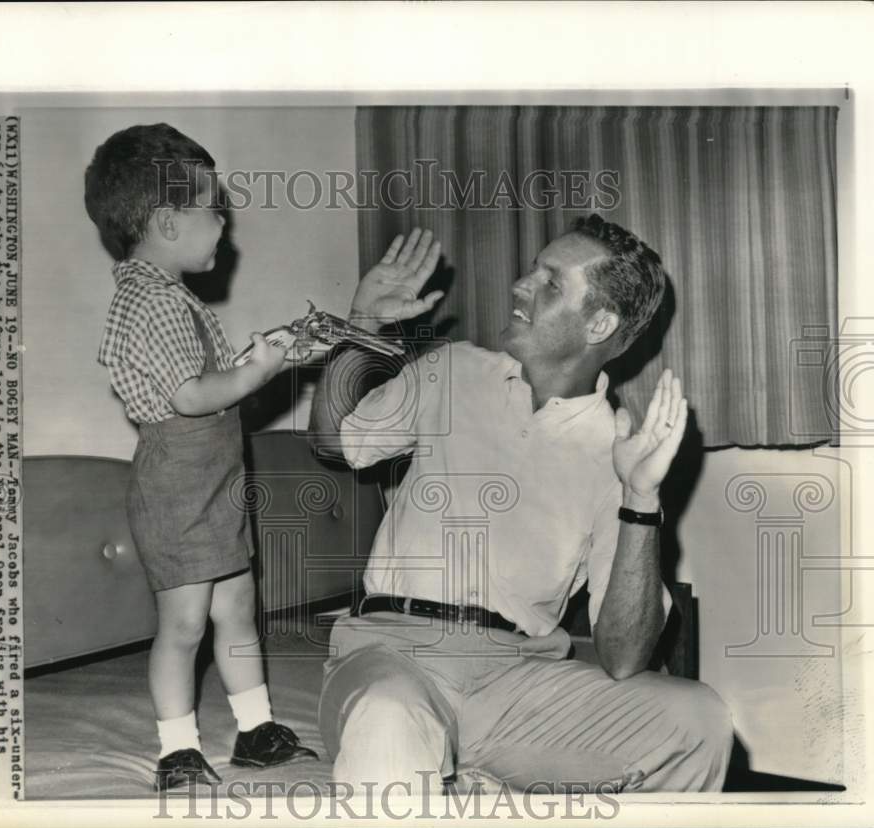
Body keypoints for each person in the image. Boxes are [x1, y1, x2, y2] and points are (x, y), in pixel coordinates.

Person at [309, 218, 734, 794]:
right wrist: (361, 324)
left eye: (550, 282)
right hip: (391, 653)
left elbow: (626, 656)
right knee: (389, 717)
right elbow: (336, 442)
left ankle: (475, 774)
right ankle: (460, 774)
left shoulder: (619, 451)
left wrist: (640, 496)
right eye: (533, 269)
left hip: (515, 681)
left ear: (599, 323)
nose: (518, 285)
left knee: (697, 719)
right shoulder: (451, 370)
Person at [85, 123, 317, 791]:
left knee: (237, 606)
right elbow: (190, 397)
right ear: (166, 221)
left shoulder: (168, 294)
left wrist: (258, 358)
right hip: (179, 488)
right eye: (213, 209)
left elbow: (202, 381)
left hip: (213, 480)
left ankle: (255, 728)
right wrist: (260, 373)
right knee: (183, 622)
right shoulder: (151, 300)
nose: (223, 223)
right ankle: (178, 747)